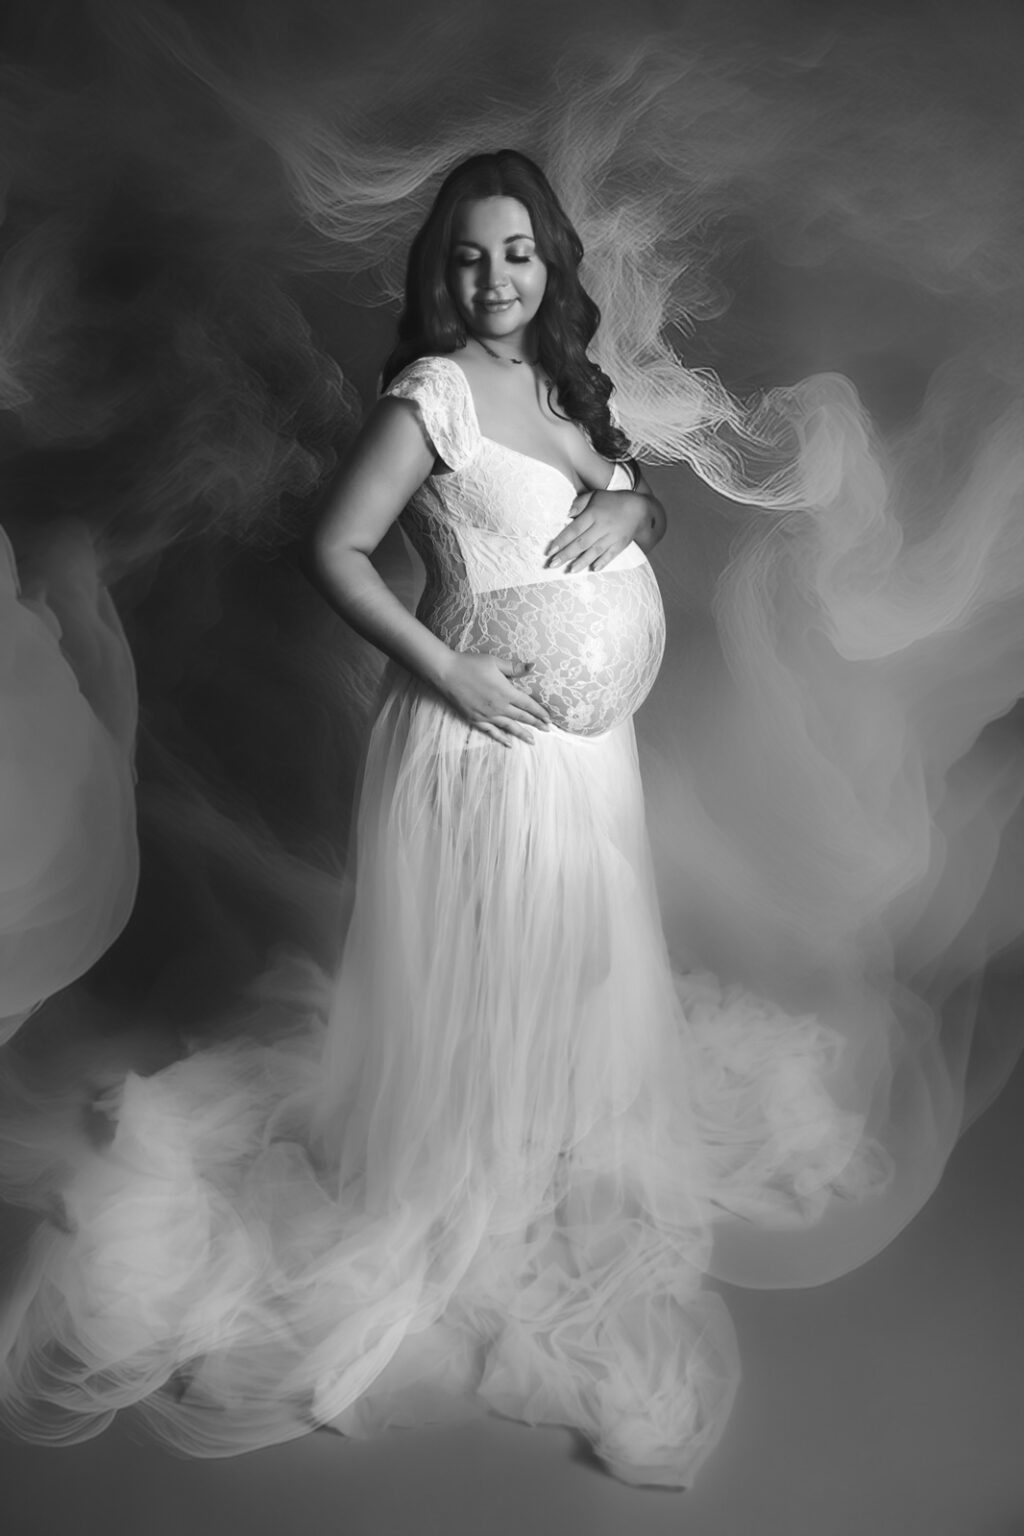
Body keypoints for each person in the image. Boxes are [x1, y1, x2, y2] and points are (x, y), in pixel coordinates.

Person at [0, 149, 881, 1489]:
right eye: (469, 257)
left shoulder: (560, 384)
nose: (496, 277)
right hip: (483, 747)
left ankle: (545, 1159)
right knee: (493, 970)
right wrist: (448, 666)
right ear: (439, 274)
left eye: (517, 253)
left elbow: (622, 497)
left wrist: (633, 502)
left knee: (569, 961)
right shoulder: (431, 396)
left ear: (549, 265)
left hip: (586, 764)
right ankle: (473, 1190)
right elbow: (335, 551)